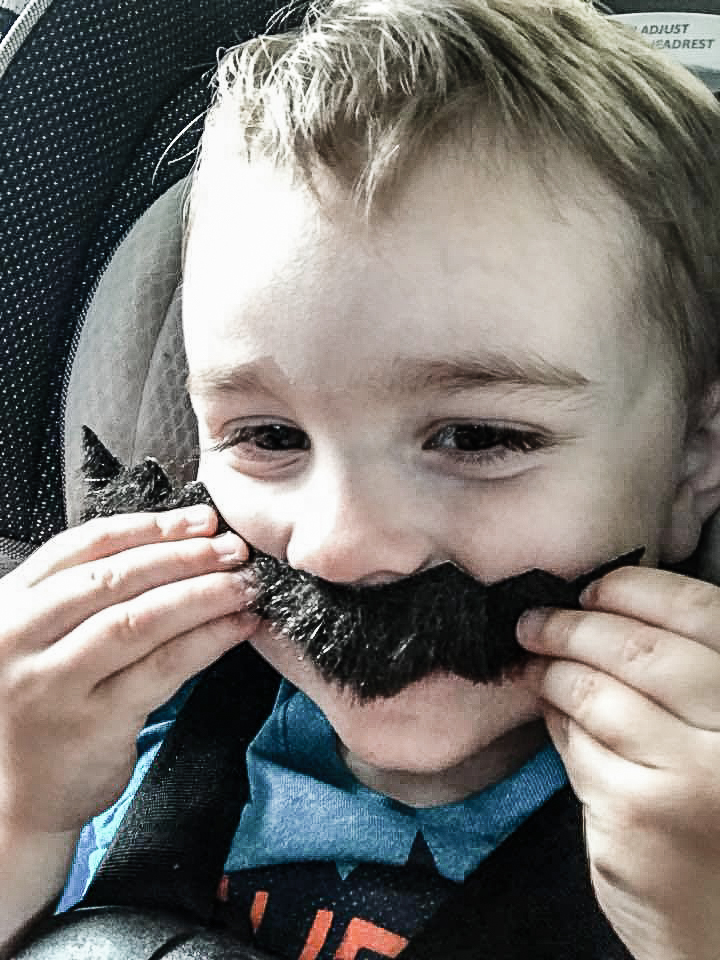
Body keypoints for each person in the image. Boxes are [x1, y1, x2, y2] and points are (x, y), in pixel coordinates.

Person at [2, 0, 720, 957]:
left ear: (694, 458)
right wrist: (21, 819)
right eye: (266, 435)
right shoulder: (95, 726)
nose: (339, 545)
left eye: (474, 436)